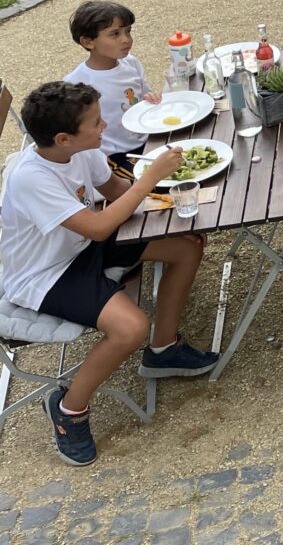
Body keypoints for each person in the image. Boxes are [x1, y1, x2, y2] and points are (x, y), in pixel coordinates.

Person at [4, 81, 216, 465]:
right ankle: (70, 410)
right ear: (64, 138)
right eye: (97, 123)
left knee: (186, 247)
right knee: (130, 328)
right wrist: (150, 178)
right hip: (45, 274)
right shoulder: (31, 178)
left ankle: (164, 349)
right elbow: (99, 227)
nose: (105, 127)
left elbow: (117, 191)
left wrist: (173, 202)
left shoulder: (82, 152)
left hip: (81, 245)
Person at [62, 1, 162, 181]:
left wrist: (150, 97)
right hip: (116, 156)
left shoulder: (131, 63)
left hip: (149, 138)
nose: (126, 39)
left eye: (128, 31)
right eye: (115, 34)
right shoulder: (76, 84)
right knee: (156, 182)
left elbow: (144, 96)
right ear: (87, 41)